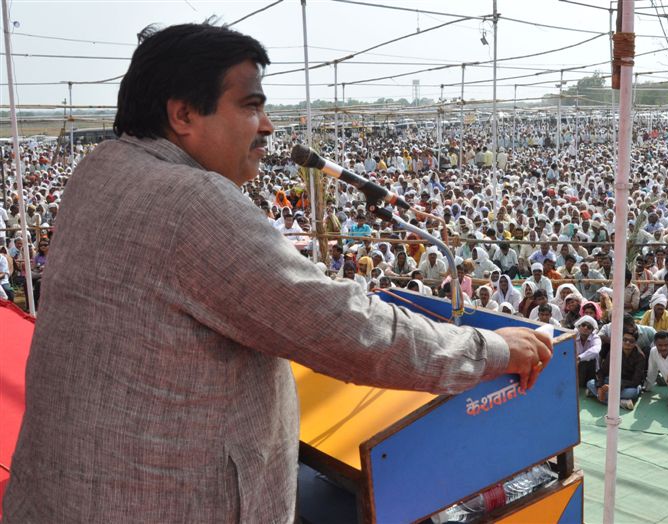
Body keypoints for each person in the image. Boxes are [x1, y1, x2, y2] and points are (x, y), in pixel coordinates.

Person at [1, 23, 552, 522]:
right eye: (249, 105)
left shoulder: (100, 169)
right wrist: (493, 351)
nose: (267, 126)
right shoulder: (192, 202)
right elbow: (347, 331)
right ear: (183, 115)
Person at [588, 332, 646, 410]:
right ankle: (621, 402)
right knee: (590, 383)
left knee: (633, 392)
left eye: (631, 341)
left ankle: (598, 395)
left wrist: (613, 387)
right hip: (611, 381)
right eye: (625, 340)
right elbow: (602, 371)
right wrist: (599, 387)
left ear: (635, 342)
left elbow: (635, 381)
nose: (627, 343)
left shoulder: (640, 356)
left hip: (627, 385)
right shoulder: (614, 351)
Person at [575, 315, 601, 388]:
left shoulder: (595, 338)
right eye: (583, 325)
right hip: (574, 364)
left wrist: (579, 358)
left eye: (589, 327)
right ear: (579, 326)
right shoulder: (573, 335)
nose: (585, 328)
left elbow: (595, 351)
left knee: (586, 361)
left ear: (592, 330)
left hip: (590, 367)